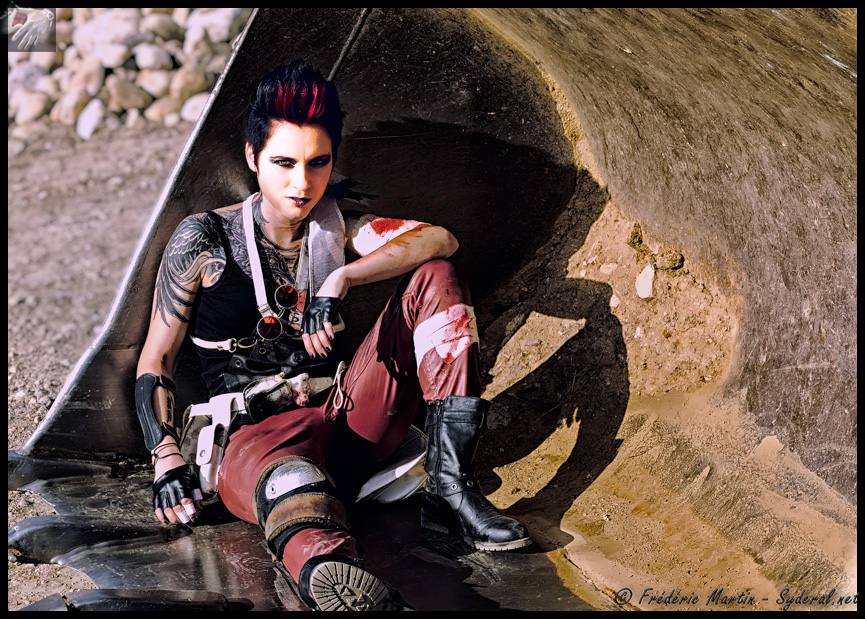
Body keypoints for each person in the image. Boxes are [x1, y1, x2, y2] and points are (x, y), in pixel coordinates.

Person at [135, 60, 530, 612]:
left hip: (345, 416)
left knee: (436, 277)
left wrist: (342, 278)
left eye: (317, 163)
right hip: (256, 439)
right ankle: (338, 582)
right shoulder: (204, 239)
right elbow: (155, 360)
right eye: (283, 163)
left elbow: (440, 240)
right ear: (251, 158)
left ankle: (450, 491)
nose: (302, 184)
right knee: (291, 486)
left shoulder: (334, 227)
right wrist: (165, 460)